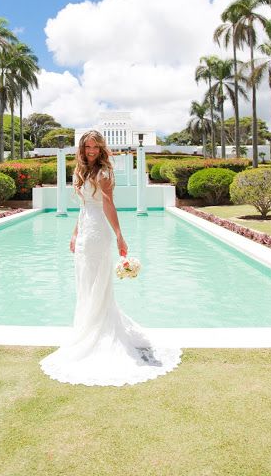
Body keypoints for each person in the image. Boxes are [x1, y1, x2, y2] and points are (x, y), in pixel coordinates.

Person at [40, 130, 182, 386]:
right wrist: (74, 234)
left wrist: (119, 236)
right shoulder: (80, 171)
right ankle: (85, 329)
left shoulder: (104, 172)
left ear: (101, 148)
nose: (91, 151)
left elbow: (108, 204)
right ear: (81, 149)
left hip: (98, 234)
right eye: (87, 147)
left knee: (99, 285)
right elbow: (83, 207)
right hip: (84, 231)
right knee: (84, 283)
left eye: (95, 147)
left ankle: (97, 332)